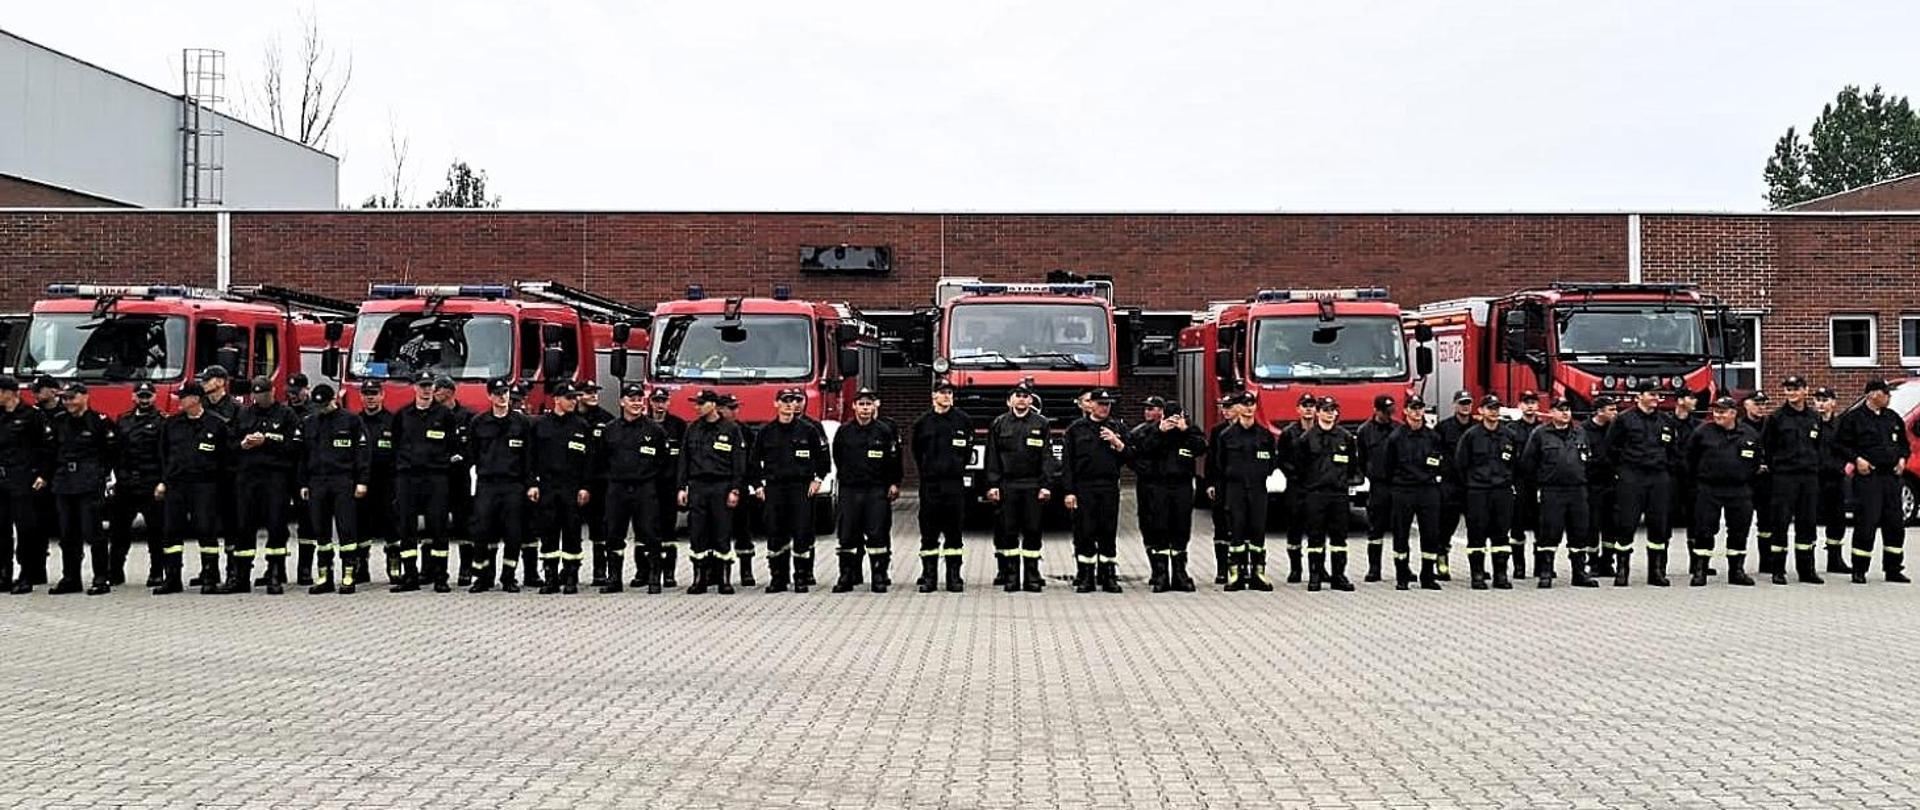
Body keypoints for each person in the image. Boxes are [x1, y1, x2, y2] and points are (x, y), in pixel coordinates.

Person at [750, 387, 830, 593]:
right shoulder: (766, 432)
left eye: (793, 400)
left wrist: (818, 479)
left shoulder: (808, 430)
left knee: (802, 533)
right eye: (785, 400)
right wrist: (758, 486)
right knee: (776, 534)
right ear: (776, 404)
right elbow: (753, 462)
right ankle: (778, 578)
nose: (789, 404)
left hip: (801, 489)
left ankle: (801, 577)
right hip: (775, 489)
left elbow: (823, 458)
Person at [228, 375, 302, 594]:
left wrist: (267, 441)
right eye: (256, 394)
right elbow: (230, 443)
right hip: (247, 478)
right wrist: (242, 444)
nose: (259, 397)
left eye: (263, 394)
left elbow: (295, 446)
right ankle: (241, 576)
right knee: (244, 526)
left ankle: (275, 573)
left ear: (271, 392)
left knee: (276, 525)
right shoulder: (244, 414)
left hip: (275, 478)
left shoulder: (286, 415)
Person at [1834, 378, 1912, 584]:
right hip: (1869, 478)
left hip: (1891, 479)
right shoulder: (1854, 419)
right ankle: (1859, 569)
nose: (1889, 397)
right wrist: (1857, 459)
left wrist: (1903, 459)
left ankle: (1893, 568)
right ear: (1873, 394)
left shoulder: (1892, 418)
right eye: (1886, 393)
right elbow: (1840, 445)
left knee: (1895, 524)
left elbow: (1904, 445)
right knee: (1866, 523)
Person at [46, 383, 118, 595]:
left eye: (72, 398)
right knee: (68, 535)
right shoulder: (59, 421)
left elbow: (112, 451)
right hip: (64, 482)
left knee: (93, 533)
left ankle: (100, 577)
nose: (68, 402)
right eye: (65, 398)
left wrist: (101, 474)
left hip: (89, 483)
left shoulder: (99, 422)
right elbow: (51, 450)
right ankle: (70, 577)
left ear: (85, 397)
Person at [157, 382, 228, 595]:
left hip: (204, 486)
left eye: (183, 397)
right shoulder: (171, 424)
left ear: (196, 399)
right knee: (171, 532)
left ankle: (209, 576)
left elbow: (225, 458)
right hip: (176, 485)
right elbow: (163, 454)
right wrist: (163, 481)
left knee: (206, 530)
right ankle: (172, 578)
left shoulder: (216, 424)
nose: (179, 400)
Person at [298, 384, 369, 595]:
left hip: (343, 480)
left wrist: (362, 480)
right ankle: (324, 576)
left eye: (324, 404)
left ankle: (348, 575)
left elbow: (362, 454)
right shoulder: (309, 422)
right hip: (317, 482)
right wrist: (303, 483)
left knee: (346, 529)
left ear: (333, 400)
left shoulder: (351, 420)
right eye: (317, 405)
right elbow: (303, 456)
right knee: (321, 531)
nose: (320, 408)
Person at [1684, 396, 1762, 587]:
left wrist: (1745, 477)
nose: (1717, 414)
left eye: (1722, 411)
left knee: (1739, 531)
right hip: (1709, 488)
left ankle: (1736, 571)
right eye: (1715, 411)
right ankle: (1700, 571)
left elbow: (1756, 461)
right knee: (1704, 530)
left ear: (1733, 413)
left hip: (1739, 490)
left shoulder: (1749, 434)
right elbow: (1689, 459)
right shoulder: (1702, 432)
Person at [391, 376, 461, 592]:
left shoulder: (445, 415)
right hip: (408, 478)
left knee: (438, 526)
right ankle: (410, 576)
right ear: (414, 388)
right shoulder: (403, 415)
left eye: (429, 387)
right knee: (406, 527)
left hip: (436, 478)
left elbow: (453, 444)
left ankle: (440, 577)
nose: (426, 391)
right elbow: (395, 444)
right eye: (422, 387)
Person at [1606, 382, 1678, 587]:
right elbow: (1611, 448)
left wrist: (1665, 468)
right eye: (1651, 394)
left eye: (1658, 394)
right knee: (1626, 523)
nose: (1656, 397)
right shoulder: (1623, 420)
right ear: (1639, 396)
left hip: (1658, 478)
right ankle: (1622, 570)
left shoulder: (1666, 421)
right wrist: (1623, 470)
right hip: (1632, 476)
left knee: (1658, 525)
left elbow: (1673, 450)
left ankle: (1656, 571)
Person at [601, 383, 671, 594]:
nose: (636, 403)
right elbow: (601, 460)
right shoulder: (610, 429)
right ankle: (613, 578)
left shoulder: (655, 430)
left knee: (650, 533)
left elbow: (663, 462)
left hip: (644, 489)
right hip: (617, 488)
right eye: (631, 399)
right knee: (614, 534)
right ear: (622, 402)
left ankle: (653, 578)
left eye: (639, 399)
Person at [1130, 397, 1205, 592]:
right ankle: (1161, 574)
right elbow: (1140, 450)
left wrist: (1185, 430)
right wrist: (1159, 431)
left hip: (1182, 486)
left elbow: (1201, 447)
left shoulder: (1188, 430)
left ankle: (1180, 573)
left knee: (1181, 528)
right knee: (1160, 528)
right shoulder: (1149, 430)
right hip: (1158, 486)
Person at [464, 378, 532, 593]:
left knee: (513, 533)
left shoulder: (521, 423)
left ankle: (509, 577)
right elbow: (472, 454)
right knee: (482, 531)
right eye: (498, 393)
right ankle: (482, 577)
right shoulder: (479, 422)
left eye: (505, 392)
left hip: (513, 484)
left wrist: (530, 483)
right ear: (489, 396)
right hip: (487, 484)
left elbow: (529, 457)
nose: (502, 397)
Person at [1519, 399, 1596, 588]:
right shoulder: (1540, 434)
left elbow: (1588, 460)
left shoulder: (1579, 433)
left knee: (1579, 532)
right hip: (1552, 490)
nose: (1565, 413)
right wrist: (1537, 488)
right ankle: (1545, 572)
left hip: (1577, 489)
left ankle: (1579, 573)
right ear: (1552, 412)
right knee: (1549, 532)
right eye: (1561, 410)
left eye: (1568, 410)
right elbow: (1528, 464)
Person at [984, 383, 1054, 592]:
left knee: (1033, 530)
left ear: (1031, 401)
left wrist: (1046, 485)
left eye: (1026, 396)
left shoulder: (1041, 424)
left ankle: (1032, 576)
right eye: (1018, 396)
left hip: (1033, 484)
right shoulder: (999, 424)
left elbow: (1047, 457)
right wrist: (992, 485)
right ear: (1009, 401)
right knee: (1008, 531)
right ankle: (1011, 576)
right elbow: (992, 457)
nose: (1022, 400)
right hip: (1008, 485)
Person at [831, 388, 902, 593]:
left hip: (876, 490)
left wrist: (894, 483)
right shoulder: (844, 431)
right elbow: (838, 458)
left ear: (874, 407)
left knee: (877, 534)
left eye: (868, 404)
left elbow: (894, 460)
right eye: (861, 404)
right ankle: (846, 575)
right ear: (854, 406)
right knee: (847, 535)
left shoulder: (884, 431)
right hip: (850, 490)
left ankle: (879, 576)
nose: (864, 409)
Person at [678, 389, 747, 594]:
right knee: (698, 533)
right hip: (698, 486)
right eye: (696, 403)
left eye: (701, 403)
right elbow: (684, 460)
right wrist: (682, 487)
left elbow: (738, 463)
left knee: (721, 532)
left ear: (713, 405)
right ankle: (699, 579)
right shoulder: (692, 429)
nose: (696, 407)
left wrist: (735, 489)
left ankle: (724, 580)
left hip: (722, 486)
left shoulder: (731, 429)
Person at [1062, 388, 1131, 594]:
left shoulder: (1117, 427)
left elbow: (1131, 457)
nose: (1104, 408)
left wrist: (1116, 442)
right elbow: (1068, 464)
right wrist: (1069, 491)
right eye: (1101, 404)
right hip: (1084, 487)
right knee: (1085, 531)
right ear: (1090, 405)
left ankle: (1108, 576)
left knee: (1107, 531)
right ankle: (1085, 576)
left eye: (1108, 404)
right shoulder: (1076, 429)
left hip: (1109, 486)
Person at [529, 381, 596, 594]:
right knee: (548, 532)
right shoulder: (540, 425)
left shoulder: (581, 426)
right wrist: (532, 483)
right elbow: (530, 457)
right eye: (569, 398)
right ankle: (550, 577)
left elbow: (589, 461)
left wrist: (586, 487)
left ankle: (570, 577)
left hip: (572, 488)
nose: (574, 401)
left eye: (575, 398)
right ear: (556, 399)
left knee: (572, 533)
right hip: (547, 487)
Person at [1209, 390, 1277, 591]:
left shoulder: (1264, 435)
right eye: (1244, 404)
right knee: (1237, 530)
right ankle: (1235, 574)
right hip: (1235, 489)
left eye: (1252, 404)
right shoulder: (1226, 435)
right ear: (1238, 408)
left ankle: (1258, 573)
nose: (1249, 408)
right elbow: (1220, 463)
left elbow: (1271, 462)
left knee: (1257, 531)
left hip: (1258, 489)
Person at [1760, 377, 1825, 584]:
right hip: (1784, 477)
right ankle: (1777, 569)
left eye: (1795, 389)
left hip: (1808, 477)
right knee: (1780, 523)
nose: (1791, 393)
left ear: (1806, 390)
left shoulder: (1815, 418)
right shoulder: (1776, 418)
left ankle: (1806, 570)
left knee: (1807, 523)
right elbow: (1767, 448)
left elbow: (1819, 446)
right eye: (1788, 389)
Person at [909, 382, 970, 592]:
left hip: (954, 485)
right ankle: (929, 576)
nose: (947, 396)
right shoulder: (923, 423)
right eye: (943, 393)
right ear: (934, 395)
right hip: (931, 486)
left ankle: (954, 576)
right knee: (929, 533)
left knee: (954, 533)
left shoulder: (963, 421)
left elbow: (967, 451)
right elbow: (916, 452)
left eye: (950, 393)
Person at [1456, 395, 1517, 590]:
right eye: (1490, 408)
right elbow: (1460, 464)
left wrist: (1508, 481)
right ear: (1481, 411)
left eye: (1496, 408)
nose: (1494, 412)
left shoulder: (1509, 435)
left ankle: (1500, 575)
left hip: (1502, 491)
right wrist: (1472, 484)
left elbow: (1517, 463)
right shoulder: (1471, 436)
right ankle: (1478, 575)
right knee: (1477, 534)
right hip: (1478, 492)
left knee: (1501, 534)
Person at [1383, 396, 1444, 589]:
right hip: (1404, 490)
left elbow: (1440, 463)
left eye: (1420, 408)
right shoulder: (1396, 437)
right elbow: (1388, 466)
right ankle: (1402, 575)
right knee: (1401, 533)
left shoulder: (1433, 437)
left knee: (1431, 533)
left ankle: (1428, 576)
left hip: (1428, 490)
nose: (1417, 412)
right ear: (1406, 411)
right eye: (1413, 408)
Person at [109, 382, 166, 587]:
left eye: (148, 396)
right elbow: (117, 452)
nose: (144, 400)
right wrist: (118, 477)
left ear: (154, 397)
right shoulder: (123, 420)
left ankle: (157, 572)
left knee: (156, 532)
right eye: (140, 396)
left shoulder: (162, 422)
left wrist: (162, 481)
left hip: (151, 483)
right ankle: (114, 572)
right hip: (126, 483)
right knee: (118, 532)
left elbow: (164, 455)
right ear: (134, 397)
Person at [1298, 397, 1357, 592]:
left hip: (1338, 494)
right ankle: (1315, 576)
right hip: (1315, 494)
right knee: (1315, 538)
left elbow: (1352, 467)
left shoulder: (1345, 437)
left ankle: (1338, 576)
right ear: (1317, 412)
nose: (1330, 413)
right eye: (1326, 409)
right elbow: (1300, 467)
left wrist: (1342, 482)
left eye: (1333, 409)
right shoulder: (1307, 438)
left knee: (1339, 538)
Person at [0, 376, 51, 594]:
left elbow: (45, 448)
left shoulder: (32, 416)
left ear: (9, 393)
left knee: (26, 529)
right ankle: (4, 574)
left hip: (23, 479)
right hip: (1, 480)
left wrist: (42, 474)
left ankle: (26, 574)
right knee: (1, 530)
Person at [430, 378, 477, 588]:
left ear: (448, 392)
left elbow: (475, 447)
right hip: (437, 477)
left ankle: (466, 568)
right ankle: (430, 569)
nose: (433, 394)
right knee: (435, 523)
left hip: (460, 478)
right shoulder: (430, 415)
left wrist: (463, 459)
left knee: (463, 524)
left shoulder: (468, 417)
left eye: (436, 391)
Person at [645, 388, 689, 589]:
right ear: (651, 402)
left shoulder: (679, 426)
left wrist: (682, 485)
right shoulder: (643, 424)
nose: (660, 404)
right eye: (656, 400)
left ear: (668, 403)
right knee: (646, 530)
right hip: (647, 485)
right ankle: (643, 571)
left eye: (663, 400)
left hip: (670, 485)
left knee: (669, 531)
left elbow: (684, 459)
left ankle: (669, 573)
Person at [356, 381, 397, 587]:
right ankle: (361, 565)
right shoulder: (354, 422)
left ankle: (394, 565)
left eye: (374, 394)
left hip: (387, 482)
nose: (370, 398)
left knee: (391, 524)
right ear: (361, 396)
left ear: (382, 395)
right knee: (361, 525)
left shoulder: (393, 421)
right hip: (363, 483)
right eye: (366, 394)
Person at [1432, 390, 1476, 581]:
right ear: (1454, 405)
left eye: (1468, 403)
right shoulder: (1443, 428)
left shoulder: (1478, 427)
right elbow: (1434, 453)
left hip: (1473, 485)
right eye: (1461, 403)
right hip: (1451, 485)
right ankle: (1441, 559)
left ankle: (1477, 566)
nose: (1465, 406)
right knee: (1447, 525)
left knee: (1476, 526)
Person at [1355, 394, 1398, 583]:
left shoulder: (1398, 429)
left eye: (1390, 412)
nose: (1388, 415)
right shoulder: (1365, 431)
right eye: (1385, 412)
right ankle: (1374, 568)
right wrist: (1371, 474)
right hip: (1378, 485)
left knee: (1400, 528)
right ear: (1376, 410)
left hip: (1398, 485)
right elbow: (1361, 460)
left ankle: (1402, 568)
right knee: (1376, 529)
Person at [1277, 393, 1319, 583]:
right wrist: (1294, 475)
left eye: (1312, 405)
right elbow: (1282, 460)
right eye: (1305, 405)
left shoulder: (1323, 432)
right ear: (1298, 409)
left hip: (1316, 488)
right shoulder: (1288, 433)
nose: (1308, 409)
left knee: (1316, 530)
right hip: (1295, 487)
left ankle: (1318, 568)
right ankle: (1295, 568)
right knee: (1294, 529)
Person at [576, 381, 614, 587]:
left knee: (600, 528)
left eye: (595, 392)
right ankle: (570, 570)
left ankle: (601, 570)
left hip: (600, 482)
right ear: (578, 395)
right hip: (574, 481)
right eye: (588, 392)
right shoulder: (571, 418)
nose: (593, 395)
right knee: (572, 527)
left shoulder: (606, 420)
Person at [1813, 387, 1853, 574]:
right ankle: (1807, 561)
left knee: (1837, 520)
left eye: (1825, 400)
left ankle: (1835, 559)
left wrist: (1846, 464)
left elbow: (1849, 447)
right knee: (1809, 519)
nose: (1821, 404)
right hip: (1814, 478)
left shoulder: (1841, 425)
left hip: (1835, 478)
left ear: (1833, 403)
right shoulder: (1810, 424)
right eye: (1818, 400)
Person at [1741, 392, 1780, 579]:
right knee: (1741, 523)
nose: (1761, 407)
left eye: (1764, 404)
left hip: (1767, 480)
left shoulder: (1772, 425)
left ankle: (1767, 561)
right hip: (1747, 480)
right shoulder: (1739, 427)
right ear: (1746, 405)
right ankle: (1737, 565)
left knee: (1767, 522)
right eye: (1756, 404)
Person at [1581, 396, 1620, 579]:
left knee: (1611, 525)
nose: (1615, 413)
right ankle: (1593, 561)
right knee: (1593, 524)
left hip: (1613, 483)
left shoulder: (1616, 429)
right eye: (1611, 409)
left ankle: (1608, 562)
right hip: (1593, 484)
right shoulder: (1583, 430)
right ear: (1599, 411)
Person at [1506, 391, 1543, 579]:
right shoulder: (1511, 429)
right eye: (1526, 402)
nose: (1530, 406)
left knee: (1541, 526)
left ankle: (1541, 566)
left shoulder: (1545, 429)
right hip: (1519, 481)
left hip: (1538, 482)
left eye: (1533, 402)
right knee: (1517, 526)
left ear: (1538, 406)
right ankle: (1519, 567)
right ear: (1520, 405)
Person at [1205, 396, 1237, 584]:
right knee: (1221, 528)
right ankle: (1222, 569)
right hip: (1221, 485)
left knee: (1240, 527)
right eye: (1223, 407)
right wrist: (1209, 483)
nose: (1225, 411)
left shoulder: (1249, 430)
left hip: (1240, 486)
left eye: (1229, 407)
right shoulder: (1217, 431)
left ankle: (1240, 567)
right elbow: (1211, 460)